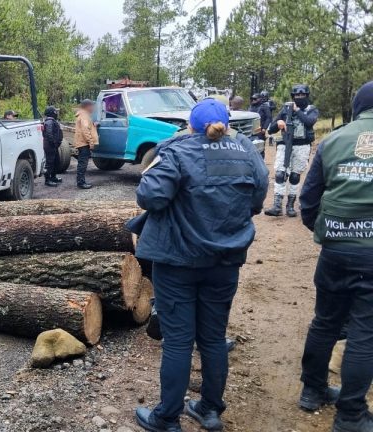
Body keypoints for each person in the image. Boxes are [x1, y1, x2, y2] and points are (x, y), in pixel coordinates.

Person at [129, 99, 268, 432]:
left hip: (178, 261)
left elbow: (150, 197)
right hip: (224, 262)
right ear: (227, 125)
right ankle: (209, 409)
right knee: (213, 337)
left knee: (178, 341)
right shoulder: (247, 150)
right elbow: (258, 198)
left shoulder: (177, 150)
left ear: (190, 125)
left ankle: (167, 418)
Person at [297, 80, 373, 432]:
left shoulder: (332, 140)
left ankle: (311, 390)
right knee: (365, 332)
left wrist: (326, 234)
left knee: (325, 320)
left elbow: (309, 200)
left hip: (336, 250)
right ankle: (350, 414)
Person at [264, 84, 319, 217]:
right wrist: (278, 124)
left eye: (302, 95)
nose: (299, 97)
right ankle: (277, 205)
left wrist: (297, 110)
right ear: (293, 96)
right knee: (280, 174)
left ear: (307, 96)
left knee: (295, 176)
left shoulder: (312, 109)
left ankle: (290, 205)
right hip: (285, 144)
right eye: (297, 95)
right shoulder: (285, 109)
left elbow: (309, 122)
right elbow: (271, 129)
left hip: (302, 146)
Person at [74, 99, 98, 190]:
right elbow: (85, 129)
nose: (93, 108)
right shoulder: (84, 115)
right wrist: (91, 142)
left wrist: (93, 125)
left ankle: (81, 181)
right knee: (83, 163)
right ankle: (81, 183)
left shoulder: (83, 115)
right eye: (91, 106)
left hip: (82, 142)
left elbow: (87, 127)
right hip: (83, 143)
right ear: (87, 106)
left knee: (82, 163)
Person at [42, 106, 63, 187]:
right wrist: (54, 143)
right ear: (51, 113)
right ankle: (47, 180)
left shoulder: (53, 121)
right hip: (50, 145)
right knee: (49, 163)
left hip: (54, 145)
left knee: (56, 162)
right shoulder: (49, 122)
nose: (56, 113)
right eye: (55, 112)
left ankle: (53, 177)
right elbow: (49, 134)